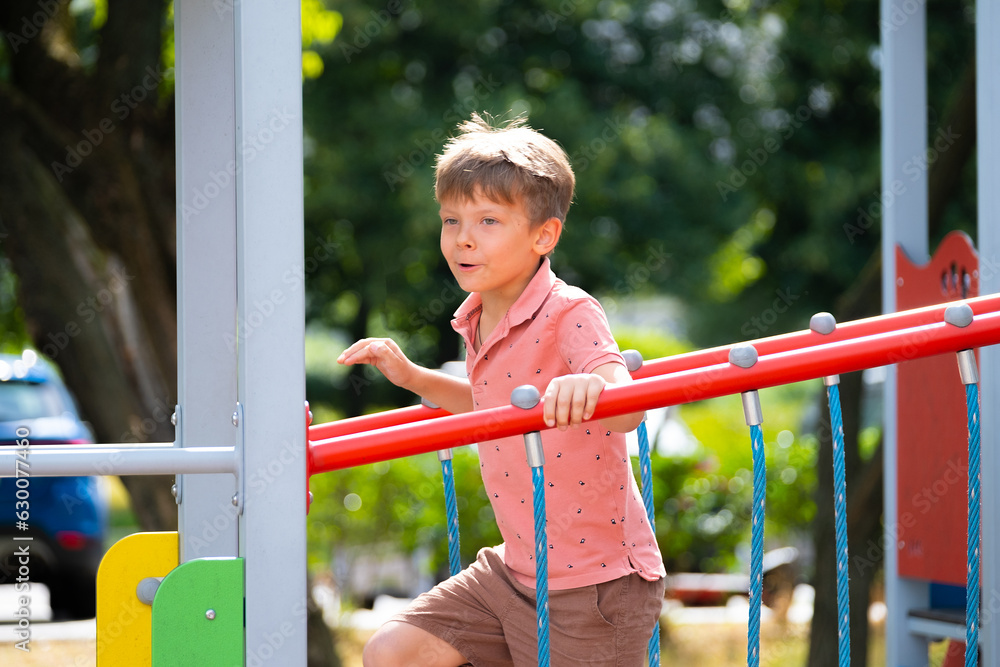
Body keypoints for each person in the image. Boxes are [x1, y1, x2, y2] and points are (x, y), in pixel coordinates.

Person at [337, 113, 665, 666]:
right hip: (515, 571)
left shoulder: (569, 311)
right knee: (393, 651)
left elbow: (623, 401)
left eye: (488, 220)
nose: (463, 238)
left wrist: (590, 384)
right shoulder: (478, 319)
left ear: (544, 234)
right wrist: (415, 378)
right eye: (451, 220)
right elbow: (494, 406)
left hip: (595, 584)